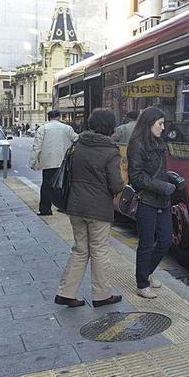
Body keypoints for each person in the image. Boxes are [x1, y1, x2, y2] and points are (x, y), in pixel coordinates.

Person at [55, 108, 124, 308]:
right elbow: (115, 184)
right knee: (99, 250)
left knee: (79, 249)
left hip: (75, 206)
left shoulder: (79, 144)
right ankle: (102, 295)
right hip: (98, 209)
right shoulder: (111, 151)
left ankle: (66, 292)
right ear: (110, 126)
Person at [128, 106, 182, 299]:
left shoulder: (159, 142)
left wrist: (171, 180)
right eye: (160, 124)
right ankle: (142, 284)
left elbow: (158, 172)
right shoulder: (137, 144)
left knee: (166, 240)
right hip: (147, 200)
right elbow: (136, 176)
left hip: (162, 200)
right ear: (149, 124)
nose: (163, 127)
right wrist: (162, 186)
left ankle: (147, 272)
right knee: (146, 244)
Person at [30, 110, 78, 215]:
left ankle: (45, 209)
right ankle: (63, 206)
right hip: (63, 162)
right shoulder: (67, 128)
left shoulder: (43, 129)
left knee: (46, 185)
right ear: (59, 117)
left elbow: (36, 147)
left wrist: (33, 162)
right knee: (63, 184)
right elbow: (76, 139)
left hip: (48, 162)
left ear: (48, 117)